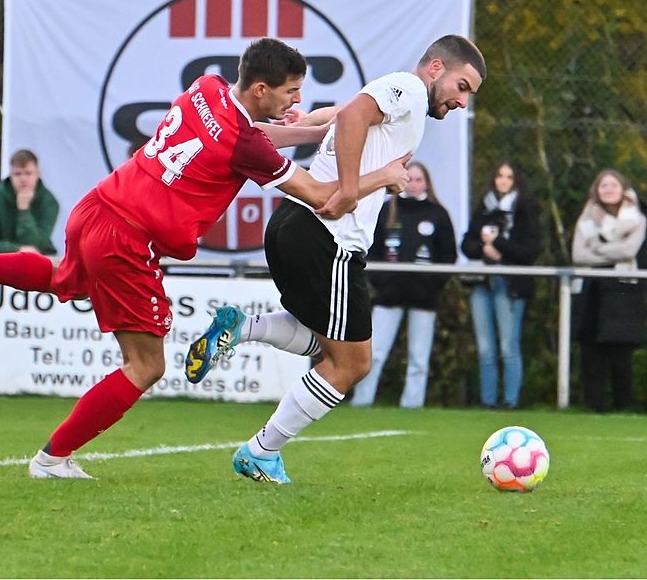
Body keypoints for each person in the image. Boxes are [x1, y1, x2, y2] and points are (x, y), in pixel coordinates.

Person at [0, 37, 411, 479]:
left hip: (98, 206)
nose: (297, 101)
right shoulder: (245, 143)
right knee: (145, 366)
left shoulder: (207, 87)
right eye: (289, 92)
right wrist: (381, 176)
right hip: (128, 239)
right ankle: (51, 460)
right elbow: (323, 195)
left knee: (65, 278)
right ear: (260, 89)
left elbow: (247, 141)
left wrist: (307, 132)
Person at [186, 35, 486, 483]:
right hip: (328, 239)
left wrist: (308, 121)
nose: (463, 101)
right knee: (352, 364)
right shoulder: (408, 85)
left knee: (328, 344)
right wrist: (350, 187)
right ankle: (261, 451)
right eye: (463, 86)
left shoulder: (403, 103)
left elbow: (343, 112)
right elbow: (353, 114)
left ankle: (242, 327)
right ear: (437, 68)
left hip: (292, 226)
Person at [350, 162, 457, 408]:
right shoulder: (388, 210)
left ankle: (412, 404)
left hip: (424, 299)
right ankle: (362, 401)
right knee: (374, 354)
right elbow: (371, 250)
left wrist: (432, 286)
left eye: (419, 180)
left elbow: (447, 255)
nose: (414, 184)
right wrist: (382, 283)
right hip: (388, 296)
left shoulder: (437, 214)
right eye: (410, 179)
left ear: (427, 183)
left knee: (419, 358)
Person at [460, 161, 541, 409]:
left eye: (509, 176)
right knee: (485, 347)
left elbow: (531, 250)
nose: (503, 181)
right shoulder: (484, 209)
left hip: (510, 284)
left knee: (508, 345)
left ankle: (510, 401)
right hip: (482, 282)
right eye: (499, 175)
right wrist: (483, 249)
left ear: (516, 181)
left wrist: (500, 247)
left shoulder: (526, 210)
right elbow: (467, 244)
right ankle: (487, 400)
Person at [571, 169, 647, 413]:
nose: (608, 189)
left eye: (613, 185)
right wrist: (611, 251)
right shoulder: (585, 220)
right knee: (591, 350)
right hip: (591, 290)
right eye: (603, 185)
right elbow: (578, 255)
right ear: (596, 190)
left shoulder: (637, 219)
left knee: (620, 351)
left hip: (623, 291)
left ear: (623, 189)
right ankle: (594, 406)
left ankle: (624, 406)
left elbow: (629, 252)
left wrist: (596, 248)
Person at [0, 148, 60, 255]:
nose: (23, 179)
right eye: (17, 174)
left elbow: (36, 245)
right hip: (1, 261)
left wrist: (24, 210)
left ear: (38, 174)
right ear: (10, 175)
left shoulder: (49, 202)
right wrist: (18, 250)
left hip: (37, 262)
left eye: (28, 173)